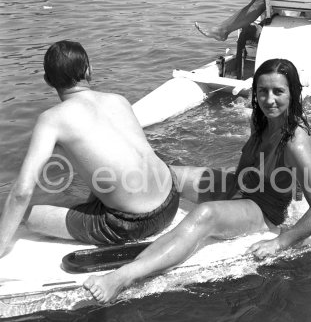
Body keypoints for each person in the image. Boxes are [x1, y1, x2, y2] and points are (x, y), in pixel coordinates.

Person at [83, 58, 311, 303]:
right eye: (262, 91)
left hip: (263, 210)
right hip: (241, 185)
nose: (269, 99)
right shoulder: (261, 121)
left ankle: (123, 277)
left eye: (278, 92)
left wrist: (279, 242)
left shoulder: (296, 142)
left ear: (293, 93)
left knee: (206, 214)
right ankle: (106, 216)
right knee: (167, 175)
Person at [0, 41, 179, 258]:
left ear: (48, 81)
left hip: (130, 225)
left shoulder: (51, 120)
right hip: (171, 201)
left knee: (25, 215)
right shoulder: (119, 100)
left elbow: (21, 192)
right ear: (88, 70)